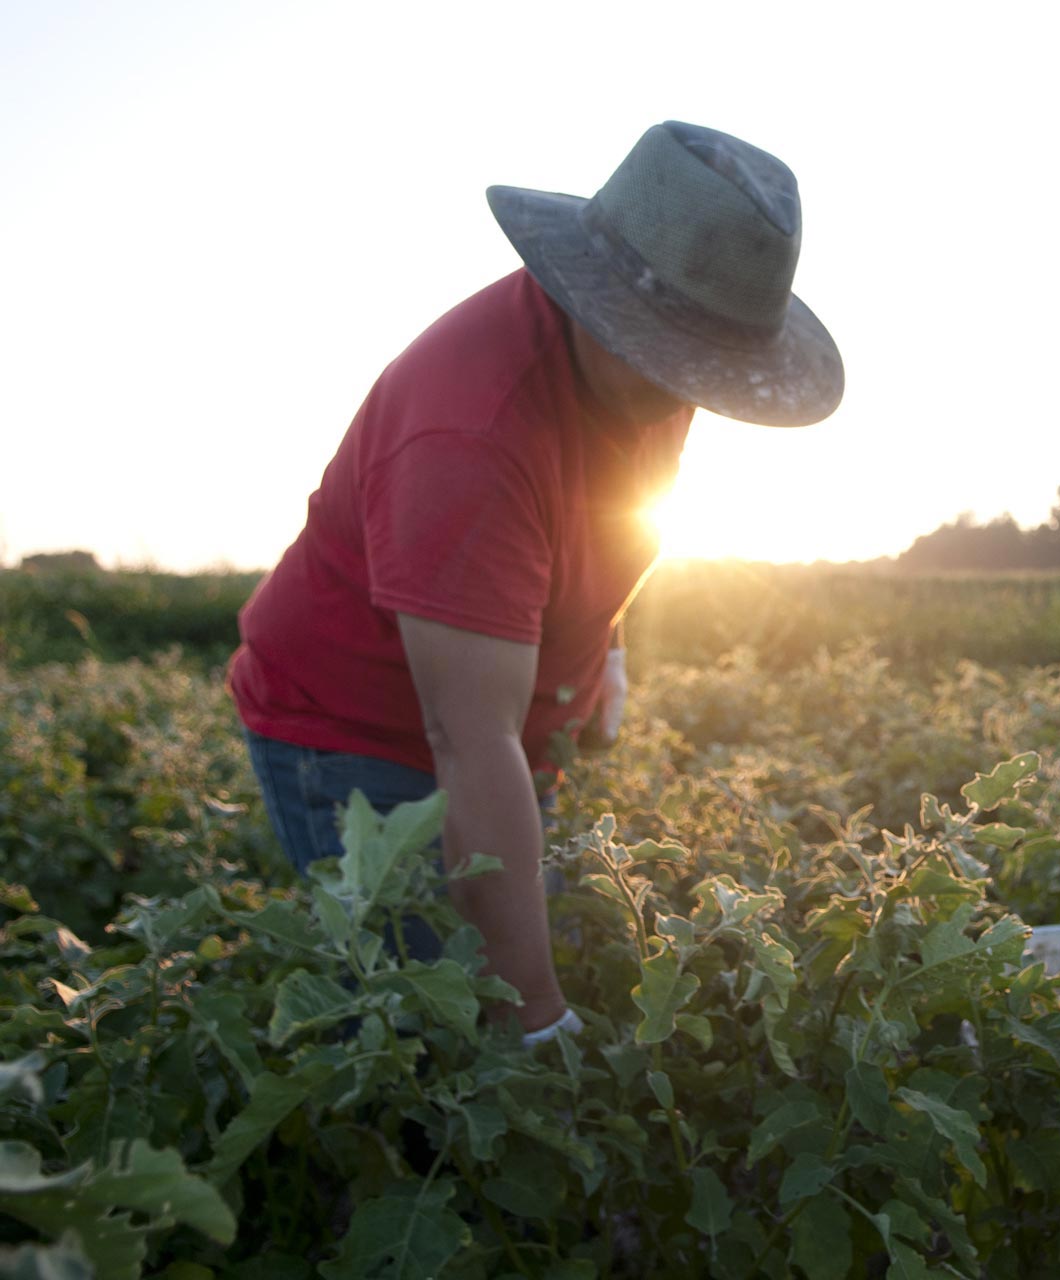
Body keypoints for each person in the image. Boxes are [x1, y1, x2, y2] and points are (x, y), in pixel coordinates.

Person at [227, 121, 842, 1045]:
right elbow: (467, 742)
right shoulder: (469, 435)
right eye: (674, 360)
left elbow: (613, 520)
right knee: (437, 1036)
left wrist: (607, 651)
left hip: (503, 725)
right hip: (359, 736)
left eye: (709, 370)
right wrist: (538, 1019)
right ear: (594, 303)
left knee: (512, 936)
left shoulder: (650, 372)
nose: (689, 397)